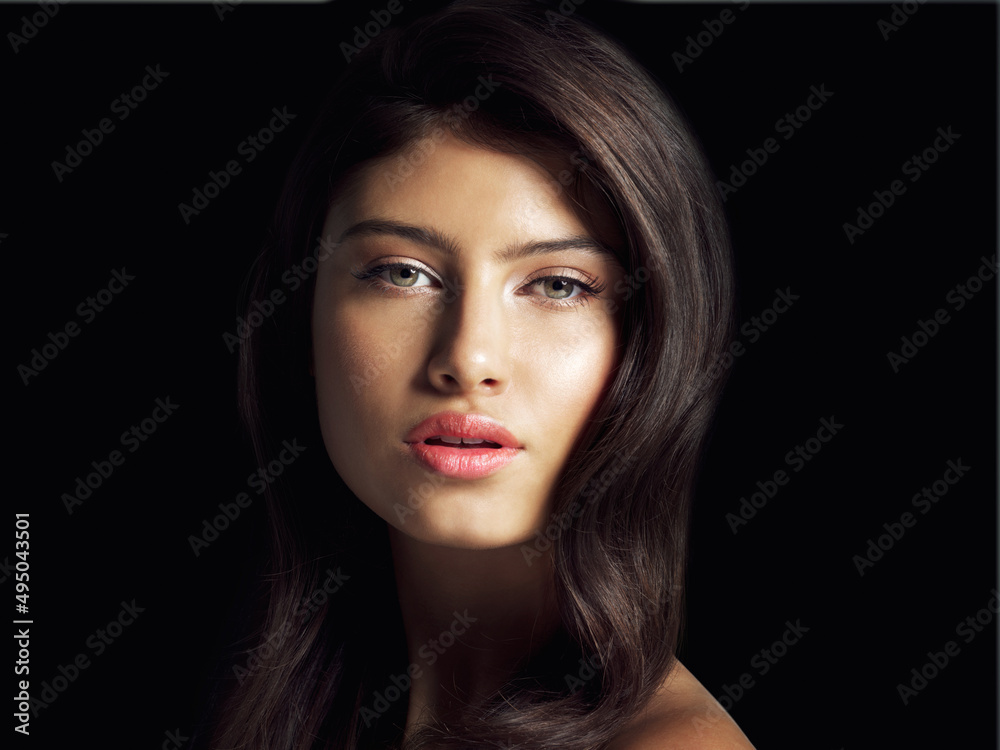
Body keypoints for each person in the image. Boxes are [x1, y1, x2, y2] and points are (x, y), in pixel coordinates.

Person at [195, 1, 753, 747]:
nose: (468, 359)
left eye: (557, 284)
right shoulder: (286, 703)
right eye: (402, 273)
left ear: (654, 344)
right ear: (303, 319)